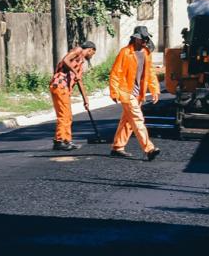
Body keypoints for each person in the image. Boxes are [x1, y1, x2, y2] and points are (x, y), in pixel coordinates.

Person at [108, 26, 161, 161]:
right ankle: (149, 149)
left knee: (127, 121)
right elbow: (116, 73)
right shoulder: (125, 52)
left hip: (139, 94)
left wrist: (154, 89)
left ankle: (117, 147)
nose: (145, 40)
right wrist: (114, 91)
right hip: (126, 92)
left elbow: (150, 73)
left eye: (146, 38)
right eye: (143, 38)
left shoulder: (146, 53)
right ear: (136, 38)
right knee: (138, 119)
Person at [49, 41, 97, 151]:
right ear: (90, 50)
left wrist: (85, 99)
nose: (91, 56)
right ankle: (59, 141)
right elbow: (65, 60)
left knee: (68, 115)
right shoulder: (78, 51)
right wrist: (74, 71)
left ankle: (66, 140)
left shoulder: (81, 64)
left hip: (64, 88)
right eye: (92, 54)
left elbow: (79, 81)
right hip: (59, 85)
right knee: (63, 115)